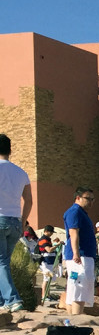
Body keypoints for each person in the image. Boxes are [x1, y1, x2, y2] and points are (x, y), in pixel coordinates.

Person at [0, 134, 32, 313]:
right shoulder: (21, 172)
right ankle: (3, 302)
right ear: (10, 150)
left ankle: (12, 299)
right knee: (3, 262)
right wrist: (23, 222)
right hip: (14, 221)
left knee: (0, 262)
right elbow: (29, 201)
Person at [63, 187, 96, 315]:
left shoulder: (82, 213)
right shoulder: (74, 212)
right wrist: (76, 253)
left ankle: (73, 320)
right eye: (88, 199)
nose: (91, 202)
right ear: (78, 198)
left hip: (84, 255)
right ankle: (76, 319)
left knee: (75, 287)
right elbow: (73, 233)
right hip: (80, 257)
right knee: (79, 287)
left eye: (92, 199)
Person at [38, 225, 57, 304]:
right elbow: (48, 250)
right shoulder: (43, 239)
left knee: (49, 279)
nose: (52, 233)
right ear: (47, 231)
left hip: (49, 261)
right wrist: (57, 245)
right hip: (45, 261)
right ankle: (43, 296)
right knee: (46, 278)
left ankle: (47, 295)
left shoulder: (48, 239)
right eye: (51, 232)